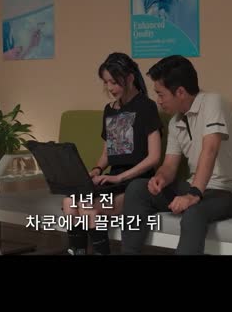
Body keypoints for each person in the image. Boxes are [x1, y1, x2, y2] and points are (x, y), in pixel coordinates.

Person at [120, 55, 232, 255]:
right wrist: (160, 178)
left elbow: (210, 149)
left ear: (180, 92)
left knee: (194, 211)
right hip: (197, 186)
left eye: (161, 94)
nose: (158, 101)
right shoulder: (176, 122)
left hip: (230, 191)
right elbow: (170, 166)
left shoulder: (213, 102)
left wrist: (193, 195)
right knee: (137, 189)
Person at [61, 52, 162, 255]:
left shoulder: (146, 107)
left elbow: (154, 157)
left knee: (88, 207)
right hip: (113, 179)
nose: (109, 88)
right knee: (68, 202)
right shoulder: (110, 110)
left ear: (130, 78)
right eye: (106, 82)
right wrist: (97, 170)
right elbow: (107, 153)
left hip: (136, 183)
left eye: (114, 82)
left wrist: (119, 177)